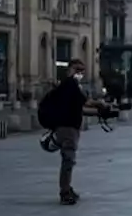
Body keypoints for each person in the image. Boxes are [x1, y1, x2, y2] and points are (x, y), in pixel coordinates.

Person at [44, 59, 106, 205]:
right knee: (68, 159)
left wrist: (99, 113)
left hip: (68, 126)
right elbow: (86, 103)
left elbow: (80, 109)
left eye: (82, 70)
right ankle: (65, 191)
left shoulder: (69, 86)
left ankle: (67, 188)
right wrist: (100, 105)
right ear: (70, 70)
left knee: (69, 159)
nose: (80, 73)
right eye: (77, 69)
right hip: (67, 128)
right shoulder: (70, 84)